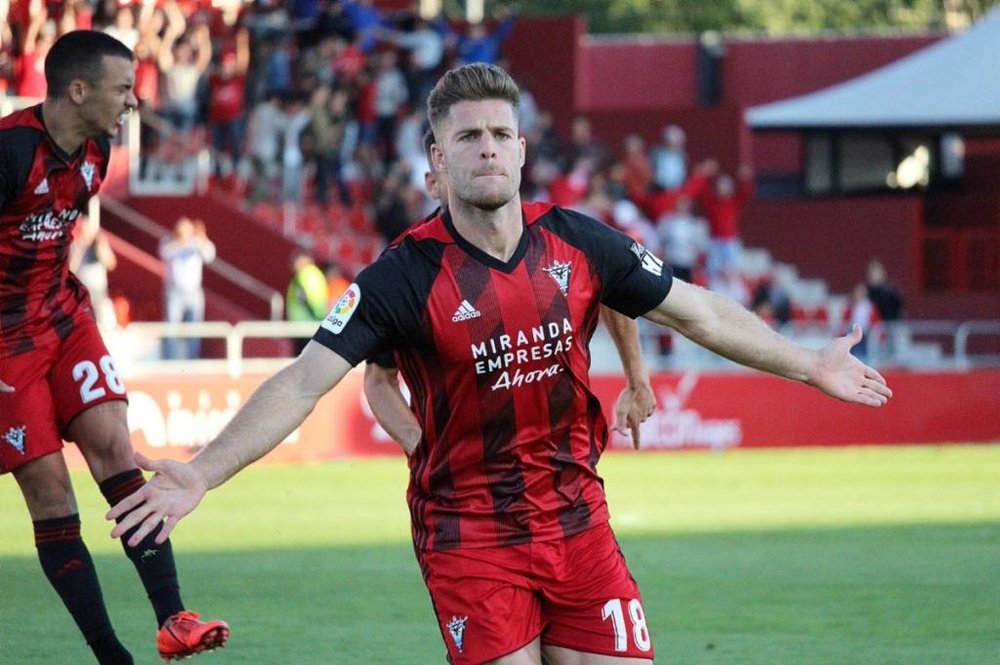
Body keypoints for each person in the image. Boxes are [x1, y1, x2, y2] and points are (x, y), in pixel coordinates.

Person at [108, 63, 891, 665]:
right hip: (469, 534)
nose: (486, 147)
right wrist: (203, 471)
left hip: (579, 521)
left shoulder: (580, 241)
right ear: (435, 162)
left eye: (498, 134)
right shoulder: (401, 275)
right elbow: (306, 379)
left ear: (521, 149)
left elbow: (699, 309)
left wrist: (805, 362)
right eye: (466, 137)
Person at [0, 30, 228, 664]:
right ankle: (111, 656)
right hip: (2, 343)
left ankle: (173, 618)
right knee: (50, 491)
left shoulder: (96, 152)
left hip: (64, 318)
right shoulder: (10, 152)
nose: (134, 101)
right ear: (78, 90)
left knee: (115, 450)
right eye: (124, 88)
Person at [365, 129, 656, 456]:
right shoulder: (409, 271)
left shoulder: (549, 234)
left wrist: (636, 378)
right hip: (467, 490)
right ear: (433, 183)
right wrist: (422, 451)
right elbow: (379, 378)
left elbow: (611, 280)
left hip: (567, 478)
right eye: (454, 166)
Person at [159, 216, 216, 361]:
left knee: (194, 329)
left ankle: (192, 359)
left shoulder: (197, 243)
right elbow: (164, 253)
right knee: (172, 328)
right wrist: (179, 240)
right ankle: (169, 360)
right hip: (175, 292)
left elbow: (210, 255)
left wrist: (202, 237)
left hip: (194, 293)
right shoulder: (170, 242)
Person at [286, 249, 329, 356]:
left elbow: (313, 300)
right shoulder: (312, 274)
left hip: (307, 326)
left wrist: (319, 316)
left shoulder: (306, 275)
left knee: (303, 360)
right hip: (305, 326)